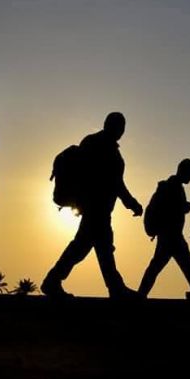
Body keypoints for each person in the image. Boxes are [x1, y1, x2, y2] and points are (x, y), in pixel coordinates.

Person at [42, 112, 144, 299]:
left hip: (94, 207)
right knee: (94, 247)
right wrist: (132, 204)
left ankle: (54, 281)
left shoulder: (93, 143)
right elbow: (115, 183)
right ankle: (113, 288)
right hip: (96, 207)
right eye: (119, 126)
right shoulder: (104, 148)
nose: (121, 131)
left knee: (89, 247)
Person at [137, 159, 190, 299]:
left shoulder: (173, 186)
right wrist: (185, 207)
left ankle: (141, 295)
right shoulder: (173, 187)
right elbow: (170, 210)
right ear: (184, 171)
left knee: (161, 266)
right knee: (185, 266)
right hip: (171, 236)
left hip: (170, 235)